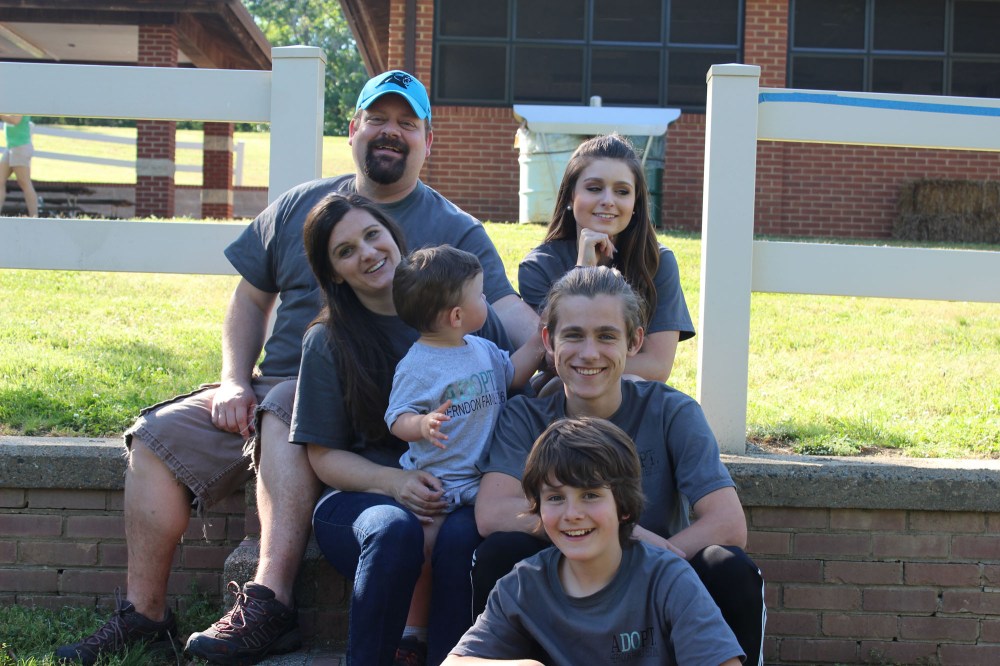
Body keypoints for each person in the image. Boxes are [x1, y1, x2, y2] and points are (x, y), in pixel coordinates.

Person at [56, 70, 538, 666]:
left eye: (406, 124)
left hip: (327, 402)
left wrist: (563, 339)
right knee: (154, 439)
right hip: (265, 387)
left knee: (287, 406)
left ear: (427, 140)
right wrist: (233, 378)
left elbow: (507, 311)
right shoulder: (297, 208)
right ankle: (144, 615)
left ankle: (270, 600)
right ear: (353, 127)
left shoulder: (453, 228)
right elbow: (248, 300)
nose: (390, 133)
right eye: (378, 120)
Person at [472, 266, 766, 666]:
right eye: (573, 335)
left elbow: (728, 524)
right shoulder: (525, 416)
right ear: (548, 341)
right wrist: (617, 534)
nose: (589, 352)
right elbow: (492, 512)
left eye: (606, 335)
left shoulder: (671, 411)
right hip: (567, 576)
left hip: (664, 583)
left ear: (635, 341)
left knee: (728, 566)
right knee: (501, 551)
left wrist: (649, 559)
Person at [289, 195, 537, 666]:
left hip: (461, 487)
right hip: (365, 497)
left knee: (464, 537)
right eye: (345, 251)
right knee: (394, 528)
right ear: (335, 273)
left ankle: (450, 658)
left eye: (371, 234)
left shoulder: (472, 320)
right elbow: (323, 457)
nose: (365, 252)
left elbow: (511, 384)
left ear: (393, 235)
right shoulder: (328, 341)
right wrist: (396, 483)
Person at [446, 417, 745, 666]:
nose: (572, 514)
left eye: (590, 495)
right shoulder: (523, 585)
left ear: (624, 506)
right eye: (555, 498)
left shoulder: (667, 580)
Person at [386, 245, 543, 661]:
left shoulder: (482, 349)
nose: (487, 301)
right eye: (481, 295)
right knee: (424, 550)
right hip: (437, 484)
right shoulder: (417, 365)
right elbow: (395, 416)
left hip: (478, 482)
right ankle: (413, 632)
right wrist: (420, 425)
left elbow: (513, 372)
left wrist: (542, 340)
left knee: (459, 557)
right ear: (456, 315)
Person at [518, 133, 693, 383]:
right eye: (594, 188)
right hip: (564, 399)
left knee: (632, 382)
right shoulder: (539, 266)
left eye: (622, 191)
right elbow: (552, 358)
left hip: (631, 396)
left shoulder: (657, 262)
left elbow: (657, 367)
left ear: (635, 203)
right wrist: (583, 271)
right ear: (570, 196)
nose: (608, 201)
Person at [1, 114, 39, 217]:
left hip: (20, 146)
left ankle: (34, 217)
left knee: (24, 182)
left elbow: (15, 120)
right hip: (11, 146)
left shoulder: (21, 102)